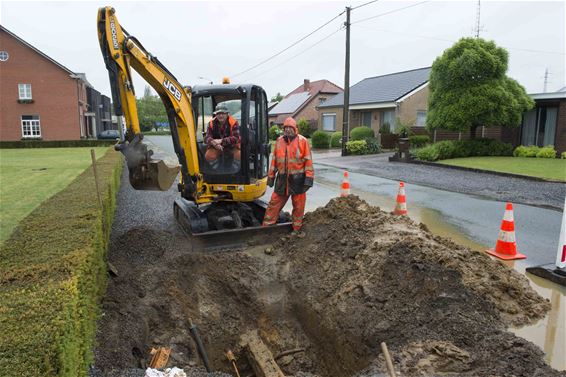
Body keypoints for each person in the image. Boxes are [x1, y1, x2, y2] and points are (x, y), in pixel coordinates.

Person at [262, 117, 314, 233]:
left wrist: (308, 180)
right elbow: (274, 160)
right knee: (274, 204)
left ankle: (296, 229)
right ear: (283, 129)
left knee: (298, 206)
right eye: (286, 128)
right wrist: (271, 176)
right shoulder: (279, 141)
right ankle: (266, 228)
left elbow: (308, 162)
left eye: (290, 128)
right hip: (282, 180)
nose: (288, 130)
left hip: (298, 181)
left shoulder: (303, 141)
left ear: (295, 129)